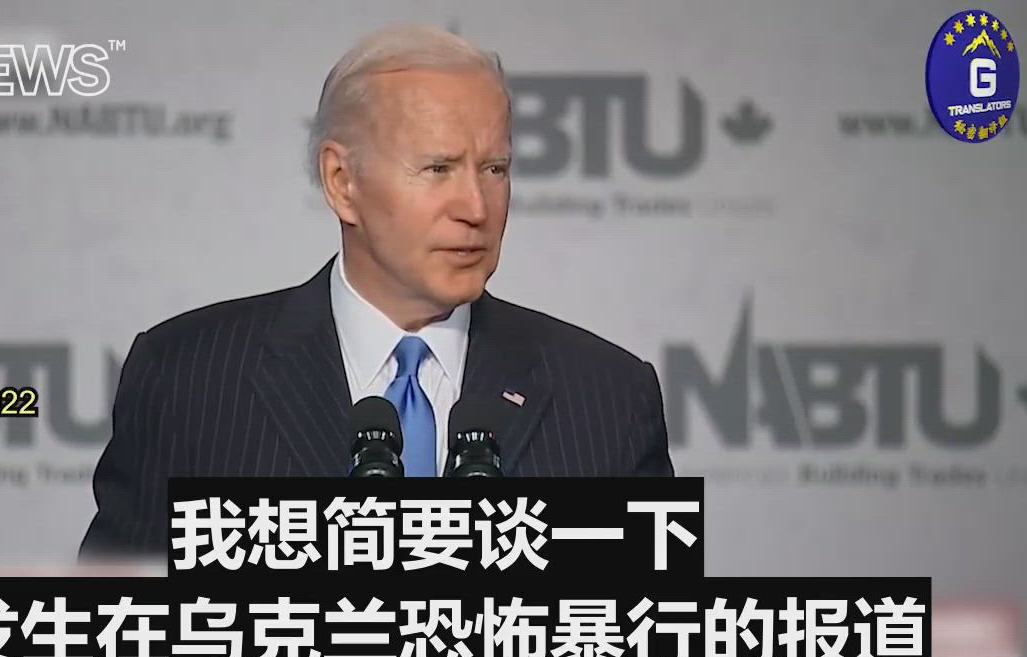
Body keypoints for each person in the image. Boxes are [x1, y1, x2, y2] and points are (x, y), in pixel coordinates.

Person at [79, 24, 672, 559]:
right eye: (438, 169)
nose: (476, 207)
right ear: (342, 182)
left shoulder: (609, 398)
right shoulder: (189, 380)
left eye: (495, 169)